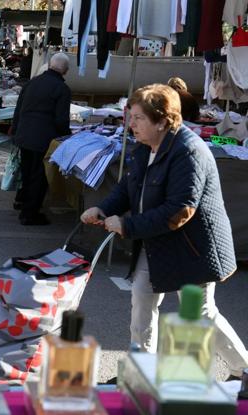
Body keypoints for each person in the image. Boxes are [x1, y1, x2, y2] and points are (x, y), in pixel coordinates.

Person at [81, 84, 248, 379]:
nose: (130, 124)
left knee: (200, 313)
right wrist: (104, 209)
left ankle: (244, 369)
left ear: (162, 121)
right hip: (157, 239)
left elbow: (180, 210)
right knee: (142, 300)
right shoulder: (145, 146)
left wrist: (128, 225)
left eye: (138, 118)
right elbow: (128, 186)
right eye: (129, 116)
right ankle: (139, 372)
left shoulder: (189, 151)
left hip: (193, 247)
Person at [11, 52, 71, 226]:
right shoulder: (61, 89)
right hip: (43, 138)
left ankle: (23, 203)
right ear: (65, 70)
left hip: (24, 134)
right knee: (39, 176)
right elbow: (61, 119)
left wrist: (15, 131)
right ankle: (29, 214)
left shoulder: (31, 83)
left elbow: (19, 109)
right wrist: (66, 136)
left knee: (27, 172)